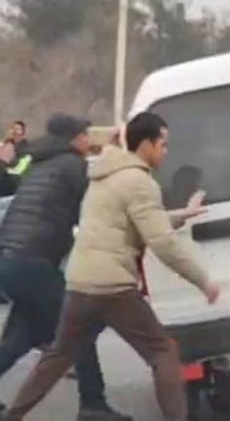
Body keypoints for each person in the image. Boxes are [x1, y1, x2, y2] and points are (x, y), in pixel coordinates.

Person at [1, 112, 220, 421]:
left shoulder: (80, 171)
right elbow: (160, 238)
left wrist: (181, 214)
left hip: (52, 273)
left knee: (51, 349)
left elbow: (132, 217)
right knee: (161, 351)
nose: (166, 152)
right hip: (95, 279)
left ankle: (19, 415)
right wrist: (204, 282)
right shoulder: (119, 177)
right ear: (146, 145)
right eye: (163, 145)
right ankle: (102, 406)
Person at [0, 114, 130, 420]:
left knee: (23, 336)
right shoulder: (72, 166)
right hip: (33, 262)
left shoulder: (40, 165)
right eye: (84, 135)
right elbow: (101, 200)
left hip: (11, 261)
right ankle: (93, 404)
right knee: (80, 322)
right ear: (73, 138)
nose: (88, 140)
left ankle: (93, 403)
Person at [0, 121, 32, 197]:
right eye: (13, 129)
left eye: (18, 129)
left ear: (23, 133)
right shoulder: (6, 145)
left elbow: (19, 169)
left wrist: (5, 168)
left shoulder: (26, 149)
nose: (15, 132)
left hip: (13, 183)